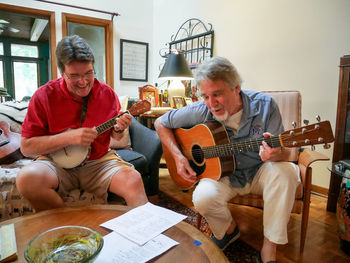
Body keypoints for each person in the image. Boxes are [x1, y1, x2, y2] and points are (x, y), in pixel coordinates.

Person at [154, 56, 300, 263]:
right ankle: (229, 230)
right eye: (205, 96)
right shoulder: (201, 110)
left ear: (236, 88)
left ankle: (269, 249)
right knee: (202, 196)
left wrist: (276, 154)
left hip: (261, 171)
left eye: (217, 94)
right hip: (224, 175)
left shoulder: (266, 106)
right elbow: (160, 123)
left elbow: (285, 152)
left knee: (287, 171)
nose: (211, 104)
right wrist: (178, 157)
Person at [16, 35, 148, 212]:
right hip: (56, 162)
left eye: (88, 73)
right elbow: (26, 147)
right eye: (74, 76)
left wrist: (119, 128)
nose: (84, 82)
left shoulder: (107, 94)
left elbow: (115, 136)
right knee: (27, 180)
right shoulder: (43, 96)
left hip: (98, 162)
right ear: (62, 73)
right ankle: (68, 227)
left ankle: (145, 234)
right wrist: (68, 137)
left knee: (133, 179)